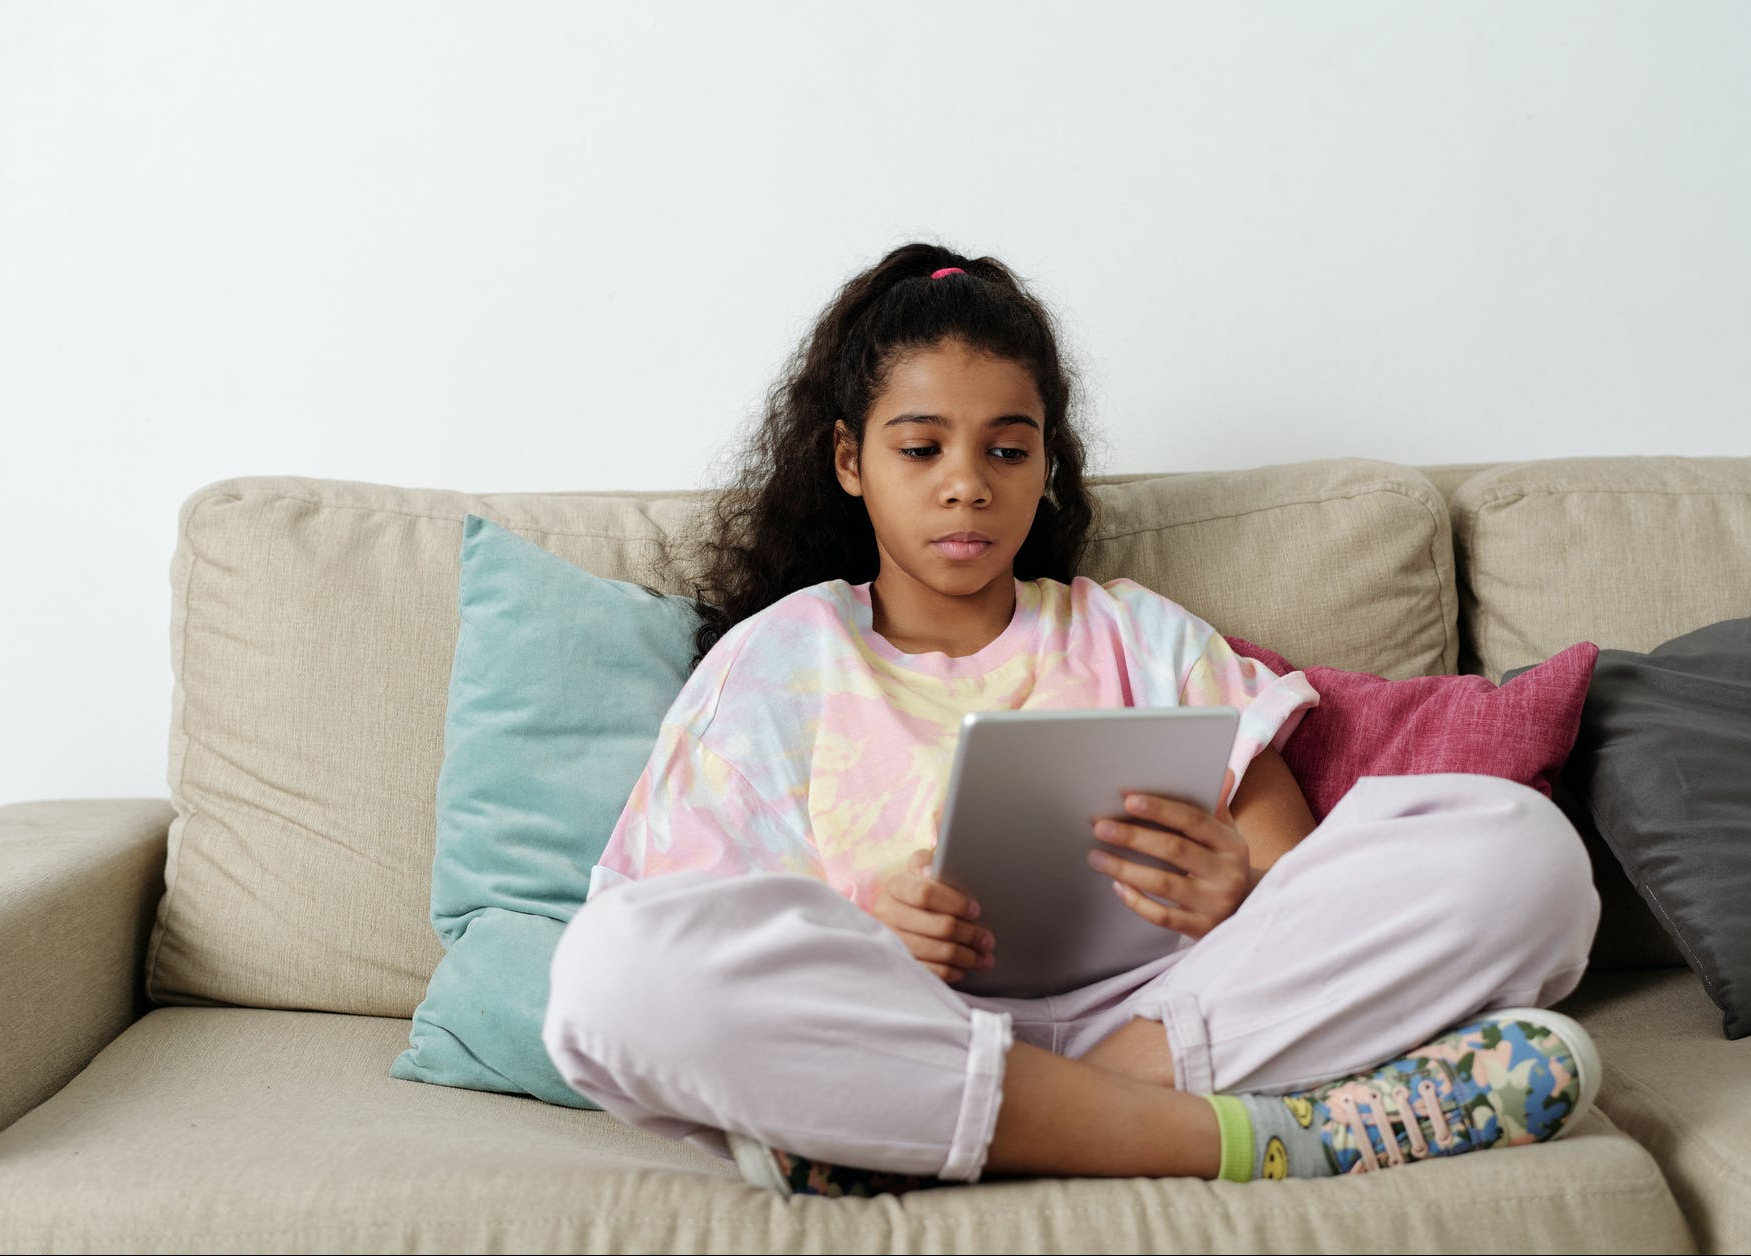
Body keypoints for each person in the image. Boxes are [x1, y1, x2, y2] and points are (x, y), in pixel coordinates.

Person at [540, 243, 1602, 1197]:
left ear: (1045, 465)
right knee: (605, 977)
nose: (966, 485)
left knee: (1522, 850)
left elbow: (1297, 872)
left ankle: (976, 1129)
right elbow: (683, 913)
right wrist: (873, 928)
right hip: (897, 1031)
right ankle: (1231, 1136)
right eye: (921, 449)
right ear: (849, 460)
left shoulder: (1135, 633)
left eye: (1006, 450)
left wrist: (1235, 889)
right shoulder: (782, 656)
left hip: (1162, 1012)